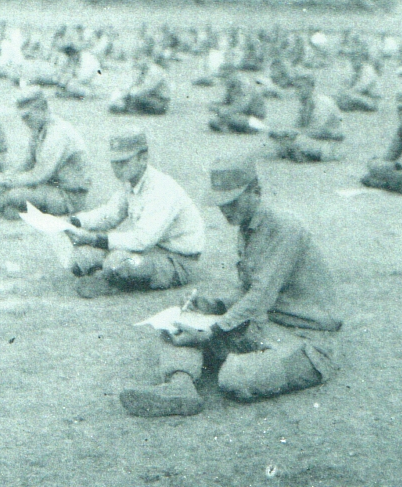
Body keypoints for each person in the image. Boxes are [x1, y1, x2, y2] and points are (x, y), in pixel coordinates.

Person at [119, 152, 342, 417]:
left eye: (232, 202)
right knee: (176, 332)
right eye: (221, 203)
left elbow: (261, 296)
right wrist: (212, 305)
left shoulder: (285, 228)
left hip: (306, 340)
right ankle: (180, 387)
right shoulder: (248, 229)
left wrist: (213, 329)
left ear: (255, 191)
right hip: (265, 327)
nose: (225, 210)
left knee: (235, 378)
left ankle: (214, 370)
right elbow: (249, 292)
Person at [65, 128, 205, 297]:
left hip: (177, 258)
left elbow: (142, 240)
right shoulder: (131, 181)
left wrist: (95, 239)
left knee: (117, 262)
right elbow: (110, 214)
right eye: (114, 162)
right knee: (81, 257)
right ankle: (108, 277)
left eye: (123, 162)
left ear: (143, 158)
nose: (117, 168)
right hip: (150, 250)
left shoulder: (161, 189)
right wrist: (75, 221)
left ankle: (109, 282)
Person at [0, 90, 90, 220]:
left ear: (43, 108)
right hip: (49, 187)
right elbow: (25, 165)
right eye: (22, 117)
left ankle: (4, 204)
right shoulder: (39, 128)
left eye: (27, 116)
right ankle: (9, 206)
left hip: (68, 195)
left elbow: (38, 176)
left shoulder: (58, 133)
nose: (24, 121)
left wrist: (4, 181)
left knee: (15, 195)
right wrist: (3, 180)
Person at [269, 76, 344, 163]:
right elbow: (298, 127)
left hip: (330, 143)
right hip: (313, 140)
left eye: (300, 87)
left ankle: (302, 155)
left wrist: (293, 132)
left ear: (311, 87)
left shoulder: (322, 103)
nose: (297, 91)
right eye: (295, 87)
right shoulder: (304, 104)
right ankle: (300, 154)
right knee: (280, 139)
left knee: (295, 141)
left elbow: (321, 132)